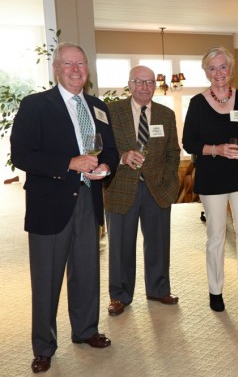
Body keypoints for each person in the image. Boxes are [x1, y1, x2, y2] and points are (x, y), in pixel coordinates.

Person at [10, 42, 119, 373]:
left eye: (81, 64)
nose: (75, 69)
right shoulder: (36, 105)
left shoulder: (99, 107)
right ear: (56, 69)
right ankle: (43, 346)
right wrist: (69, 163)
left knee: (87, 270)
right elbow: (23, 155)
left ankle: (86, 330)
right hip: (50, 203)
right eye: (68, 64)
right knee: (46, 279)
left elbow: (110, 149)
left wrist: (106, 168)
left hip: (89, 198)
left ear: (87, 69)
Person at [182, 46, 238, 312]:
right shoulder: (197, 103)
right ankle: (215, 289)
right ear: (206, 72)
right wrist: (216, 149)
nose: (218, 73)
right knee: (216, 234)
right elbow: (188, 142)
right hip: (213, 175)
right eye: (213, 68)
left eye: (223, 67)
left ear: (230, 70)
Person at [105, 65, 181, 316]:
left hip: (156, 188)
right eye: (139, 82)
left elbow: (173, 153)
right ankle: (120, 295)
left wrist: (170, 182)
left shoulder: (166, 115)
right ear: (130, 84)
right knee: (121, 246)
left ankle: (159, 289)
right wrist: (122, 156)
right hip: (121, 187)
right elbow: (99, 147)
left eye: (149, 82)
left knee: (158, 242)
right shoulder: (111, 112)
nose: (144, 87)